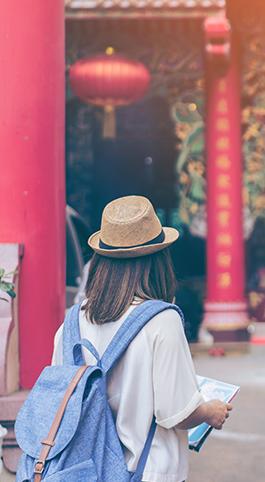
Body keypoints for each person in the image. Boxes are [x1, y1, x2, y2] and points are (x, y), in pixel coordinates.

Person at [52, 195, 232, 482]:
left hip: (80, 472)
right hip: (146, 472)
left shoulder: (71, 323)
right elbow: (177, 412)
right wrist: (211, 411)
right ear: (158, 260)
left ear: (100, 260)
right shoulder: (162, 321)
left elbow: (60, 402)